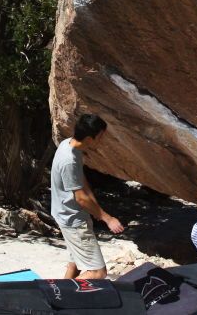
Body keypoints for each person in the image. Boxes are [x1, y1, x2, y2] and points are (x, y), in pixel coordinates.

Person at [51, 113, 125, 279]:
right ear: (91, 138)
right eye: (100, 137)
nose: (102, 140)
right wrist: (108, 218)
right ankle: (64, 295)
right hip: (73, 220)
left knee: (76, 263)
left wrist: (95, 206)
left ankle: (60, 298)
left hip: (66, 214)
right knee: (98, 272)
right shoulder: (69, 159)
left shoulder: (68, 145)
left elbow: (81, 180)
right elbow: (80, 198)